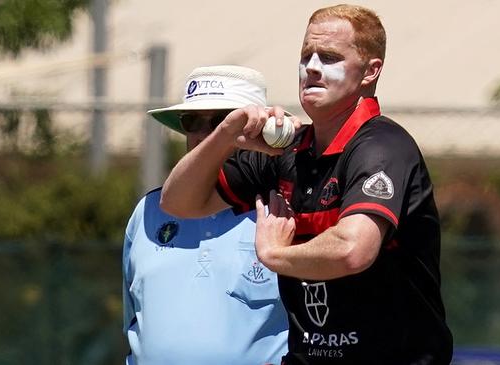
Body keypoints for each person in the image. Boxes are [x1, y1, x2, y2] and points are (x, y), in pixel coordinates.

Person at [160, 4, 453, 364]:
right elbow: (178, 202)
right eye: (305, 56)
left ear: (370, 71)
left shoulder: (382, 146)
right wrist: (226, 134)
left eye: (329, 57)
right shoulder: (287, 150)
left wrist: (275, 255)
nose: (312, 67)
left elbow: (352, 250)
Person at [122, 65, 289, 365]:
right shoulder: (147, 210)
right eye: (192, 121)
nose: (203, 135)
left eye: (221, 122)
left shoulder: (285, 208)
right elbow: (134, 322)